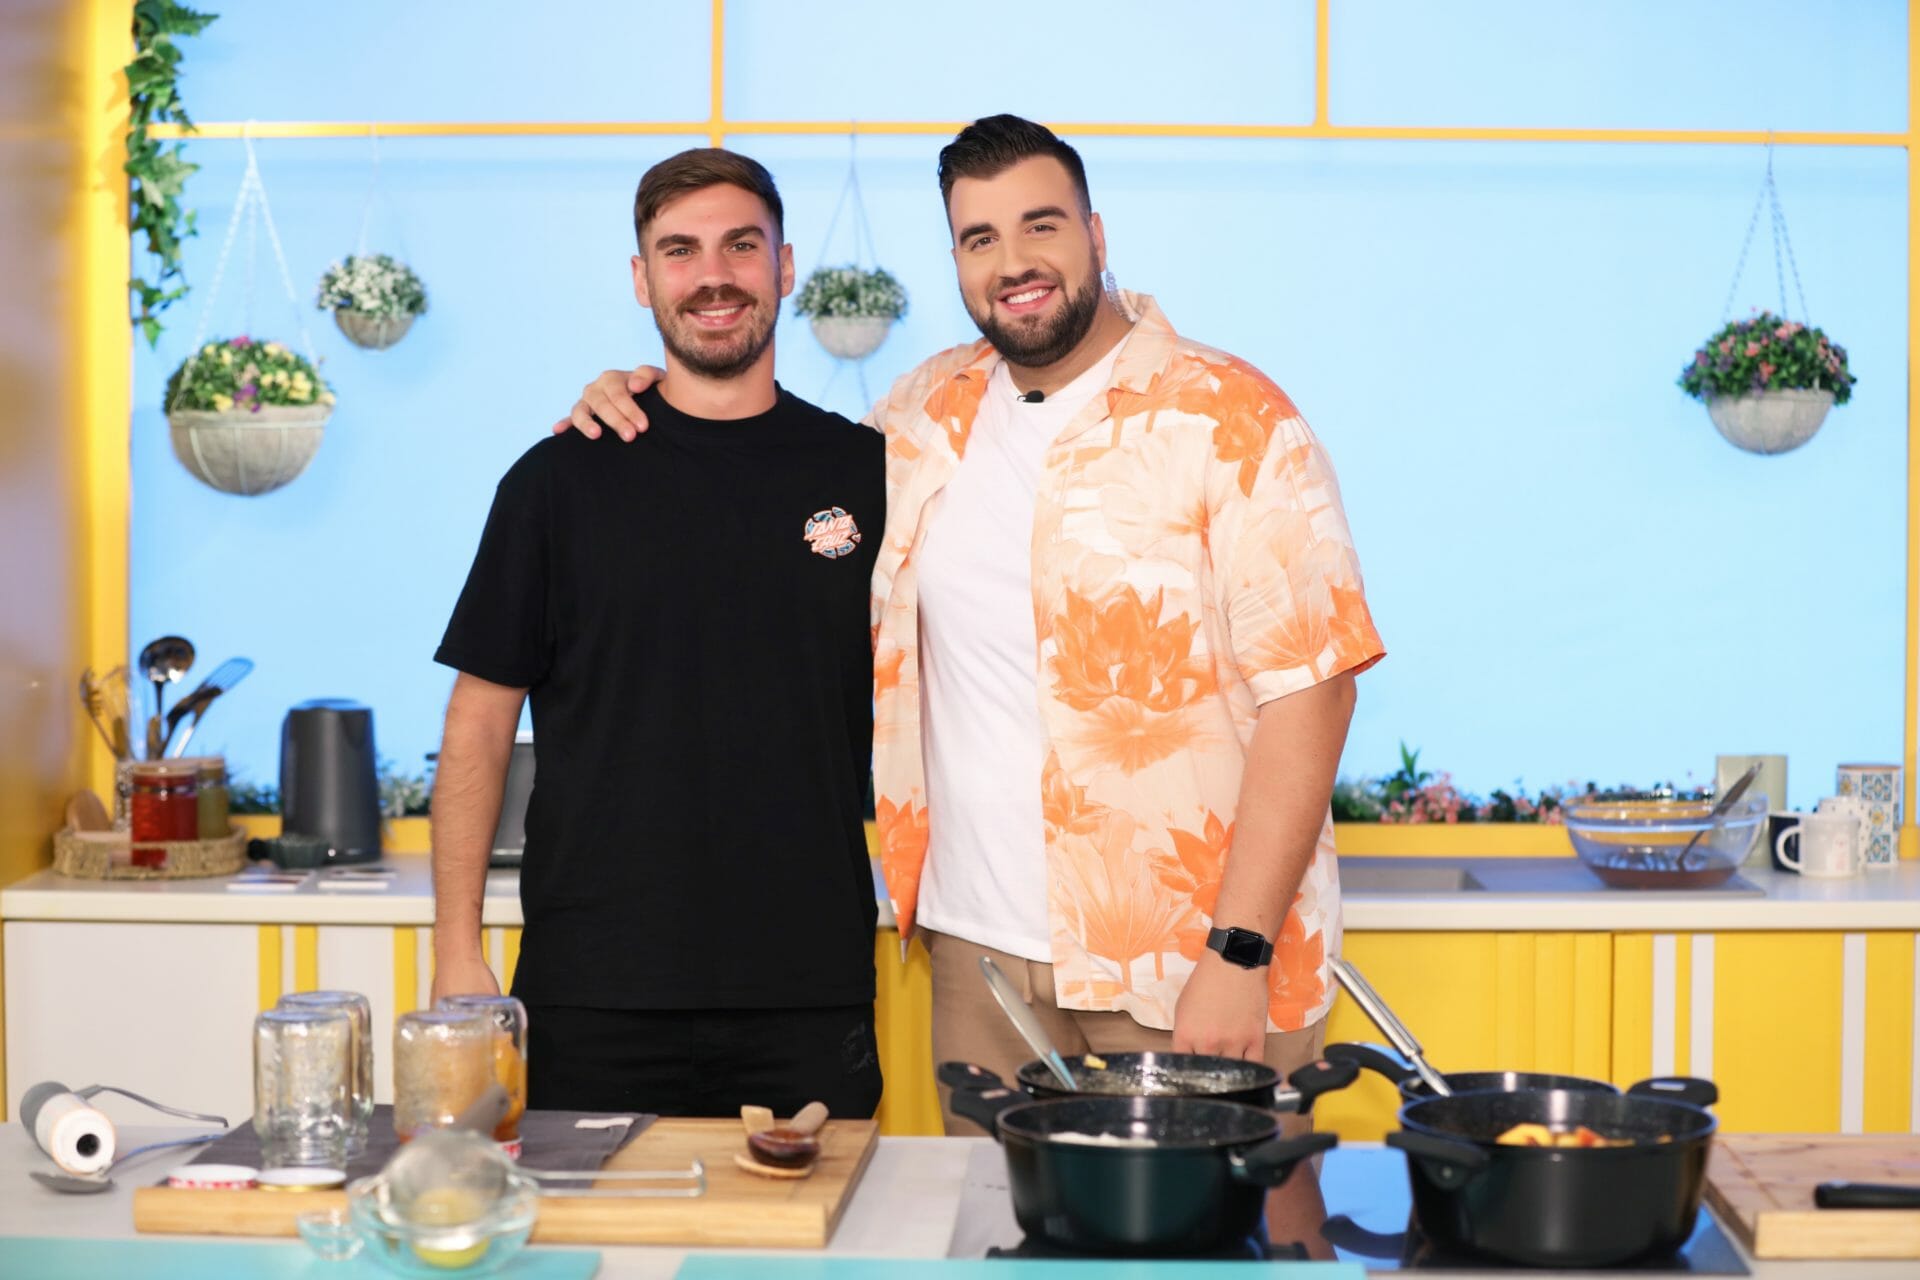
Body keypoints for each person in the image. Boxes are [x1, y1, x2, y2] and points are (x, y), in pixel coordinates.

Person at [558, 117, 1383, 1137]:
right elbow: (763, 474)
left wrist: (1240, 951)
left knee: (1222, 1222)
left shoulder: (1233, 418)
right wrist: (644, 398)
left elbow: (1315, 690)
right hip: (979, 969)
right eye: (979, 238)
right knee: (992, 1221)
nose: (1013, 262)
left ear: (1096, 233)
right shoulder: (922, 415)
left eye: (1041, 226)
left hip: (1188, 969)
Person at [431, 148, 885, 1119]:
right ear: (643, 279)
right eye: (680, 251)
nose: (713, 275)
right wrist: (456, 947)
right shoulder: (558, 481)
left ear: (785, 265)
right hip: (594, 992)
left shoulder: (867, 473)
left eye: (741, 246)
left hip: (809, 991)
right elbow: (478, 720)